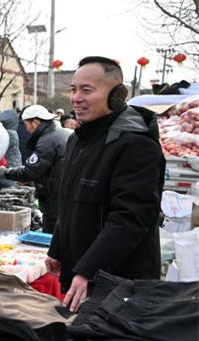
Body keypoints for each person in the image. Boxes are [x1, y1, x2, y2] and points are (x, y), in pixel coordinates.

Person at [47, 57, 164, 312]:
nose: (76, 98)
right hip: (81, 273)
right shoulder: (78, 140)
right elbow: (68, 201)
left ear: (117, 95)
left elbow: (130, 218)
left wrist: (88, 270)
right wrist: (57, 248)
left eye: (86, 90)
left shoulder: (136, 145)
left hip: (119, 282)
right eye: (74, 90)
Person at [0, 105, 70, 234]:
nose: (27, 129)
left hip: (54, 197)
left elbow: (30, 171)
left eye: (26, 125)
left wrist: (4, 172)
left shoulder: (47, 140)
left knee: (51, 235)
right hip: (63, 194)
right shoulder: (60, 133)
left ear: (35, 122)